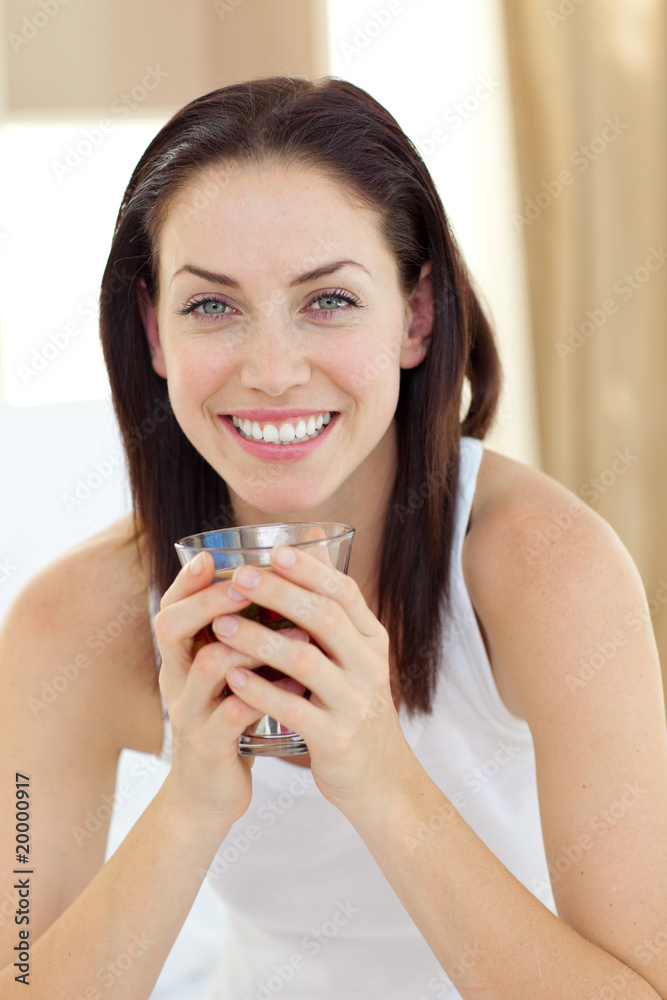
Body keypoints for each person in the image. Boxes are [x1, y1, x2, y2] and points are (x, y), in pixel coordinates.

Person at [1, 76, 666, 1000]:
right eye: (211, 306)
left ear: (417, 315)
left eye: (328, 301)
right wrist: (191, 804)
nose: (272, 371)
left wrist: (380, 778)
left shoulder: (547, 571)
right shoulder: (68, 624)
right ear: (153, 331)